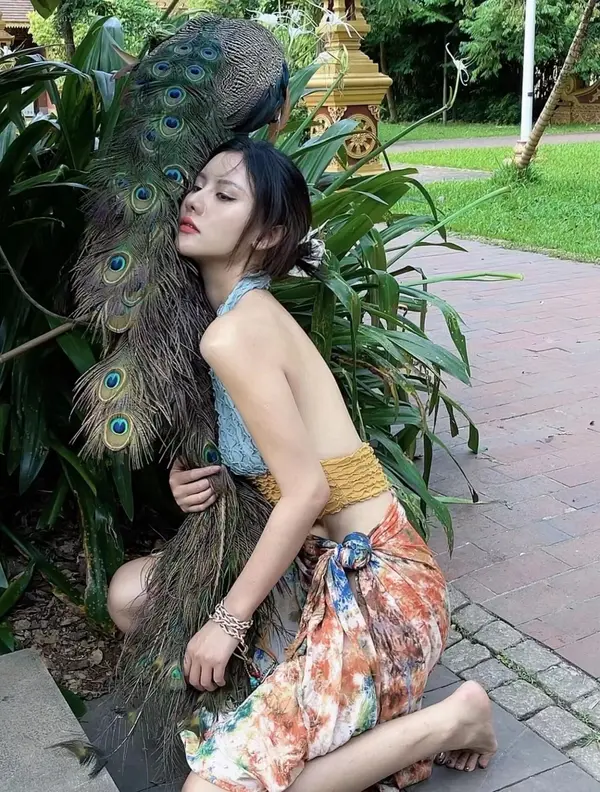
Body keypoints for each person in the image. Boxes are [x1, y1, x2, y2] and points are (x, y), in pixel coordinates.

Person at [107, 136, 497, 792]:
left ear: (267, 236)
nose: (196, 201)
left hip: (380, 592)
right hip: (307, 575)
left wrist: (227, 622)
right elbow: (272, 462)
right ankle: (320, 716)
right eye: (198, 187)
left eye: (224, 195)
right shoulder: (237, 316)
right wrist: (196, 482)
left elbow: (307, 491)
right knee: (130, 596)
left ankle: (453, 720)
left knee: (211, 790)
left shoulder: (236, 330)